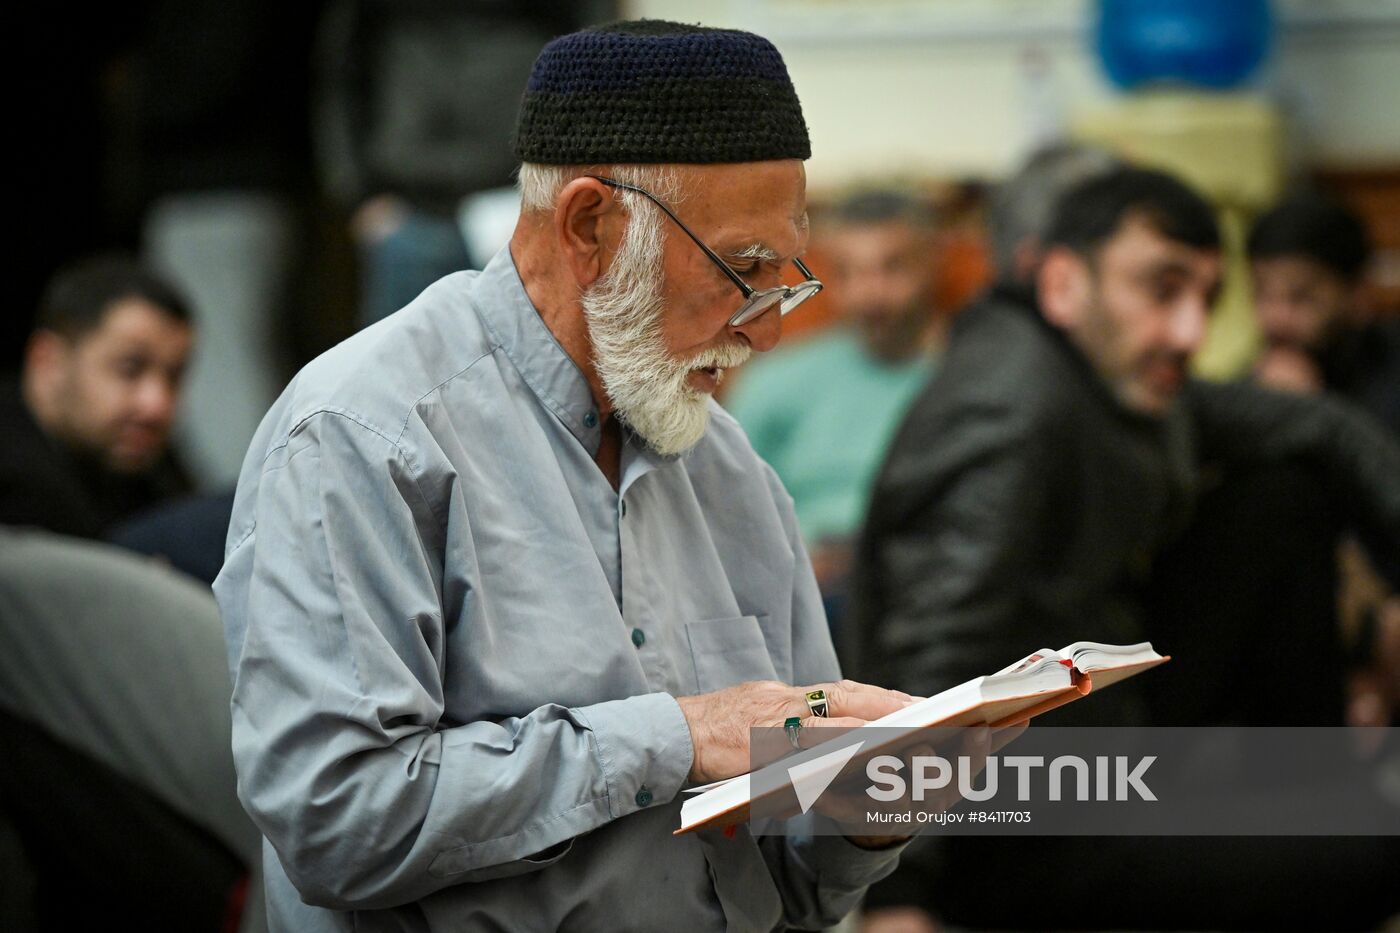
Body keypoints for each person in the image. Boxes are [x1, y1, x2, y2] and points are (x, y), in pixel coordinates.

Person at [215, 21, 926, 932]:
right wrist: (678, 737)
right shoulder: (364, 435)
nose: (767, 332)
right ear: (592, 227)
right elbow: (337, 820)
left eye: (785, 280)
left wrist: (874, 805)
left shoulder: (726, 466)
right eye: (742, 271)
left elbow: (793, 881)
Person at [851, 165, 1400, 929]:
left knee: (1281, 495)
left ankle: (1307, 783)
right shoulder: (1011, 408)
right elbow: (929, 654)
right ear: (1064, 283)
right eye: (1161, 288)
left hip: (1100, 719)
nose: (1191, 332)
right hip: (1012, 821)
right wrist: (899, 894)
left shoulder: (1111, 367)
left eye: (1204, 299)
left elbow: (1319, 426)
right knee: (1377, 848)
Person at [727, 190, 941, 610]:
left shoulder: (968, 380)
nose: (870, 293)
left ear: (931, 264)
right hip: (806, 587)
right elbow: (725, 508)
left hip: (924, 583)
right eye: (848, 273)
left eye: (892, 267)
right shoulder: (778, 380)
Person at [0, 255, 194, 538]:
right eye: (130, 369)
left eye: (174, 377)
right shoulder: (15, 484)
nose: (157, 405)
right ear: (48, 362)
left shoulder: (146, 466)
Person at [1248, 191, 1400, 437]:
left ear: (1358, 294)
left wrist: (1312, 414)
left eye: (1301, 296)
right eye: (1261, 293)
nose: (1276, 316)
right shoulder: (1253, 382)